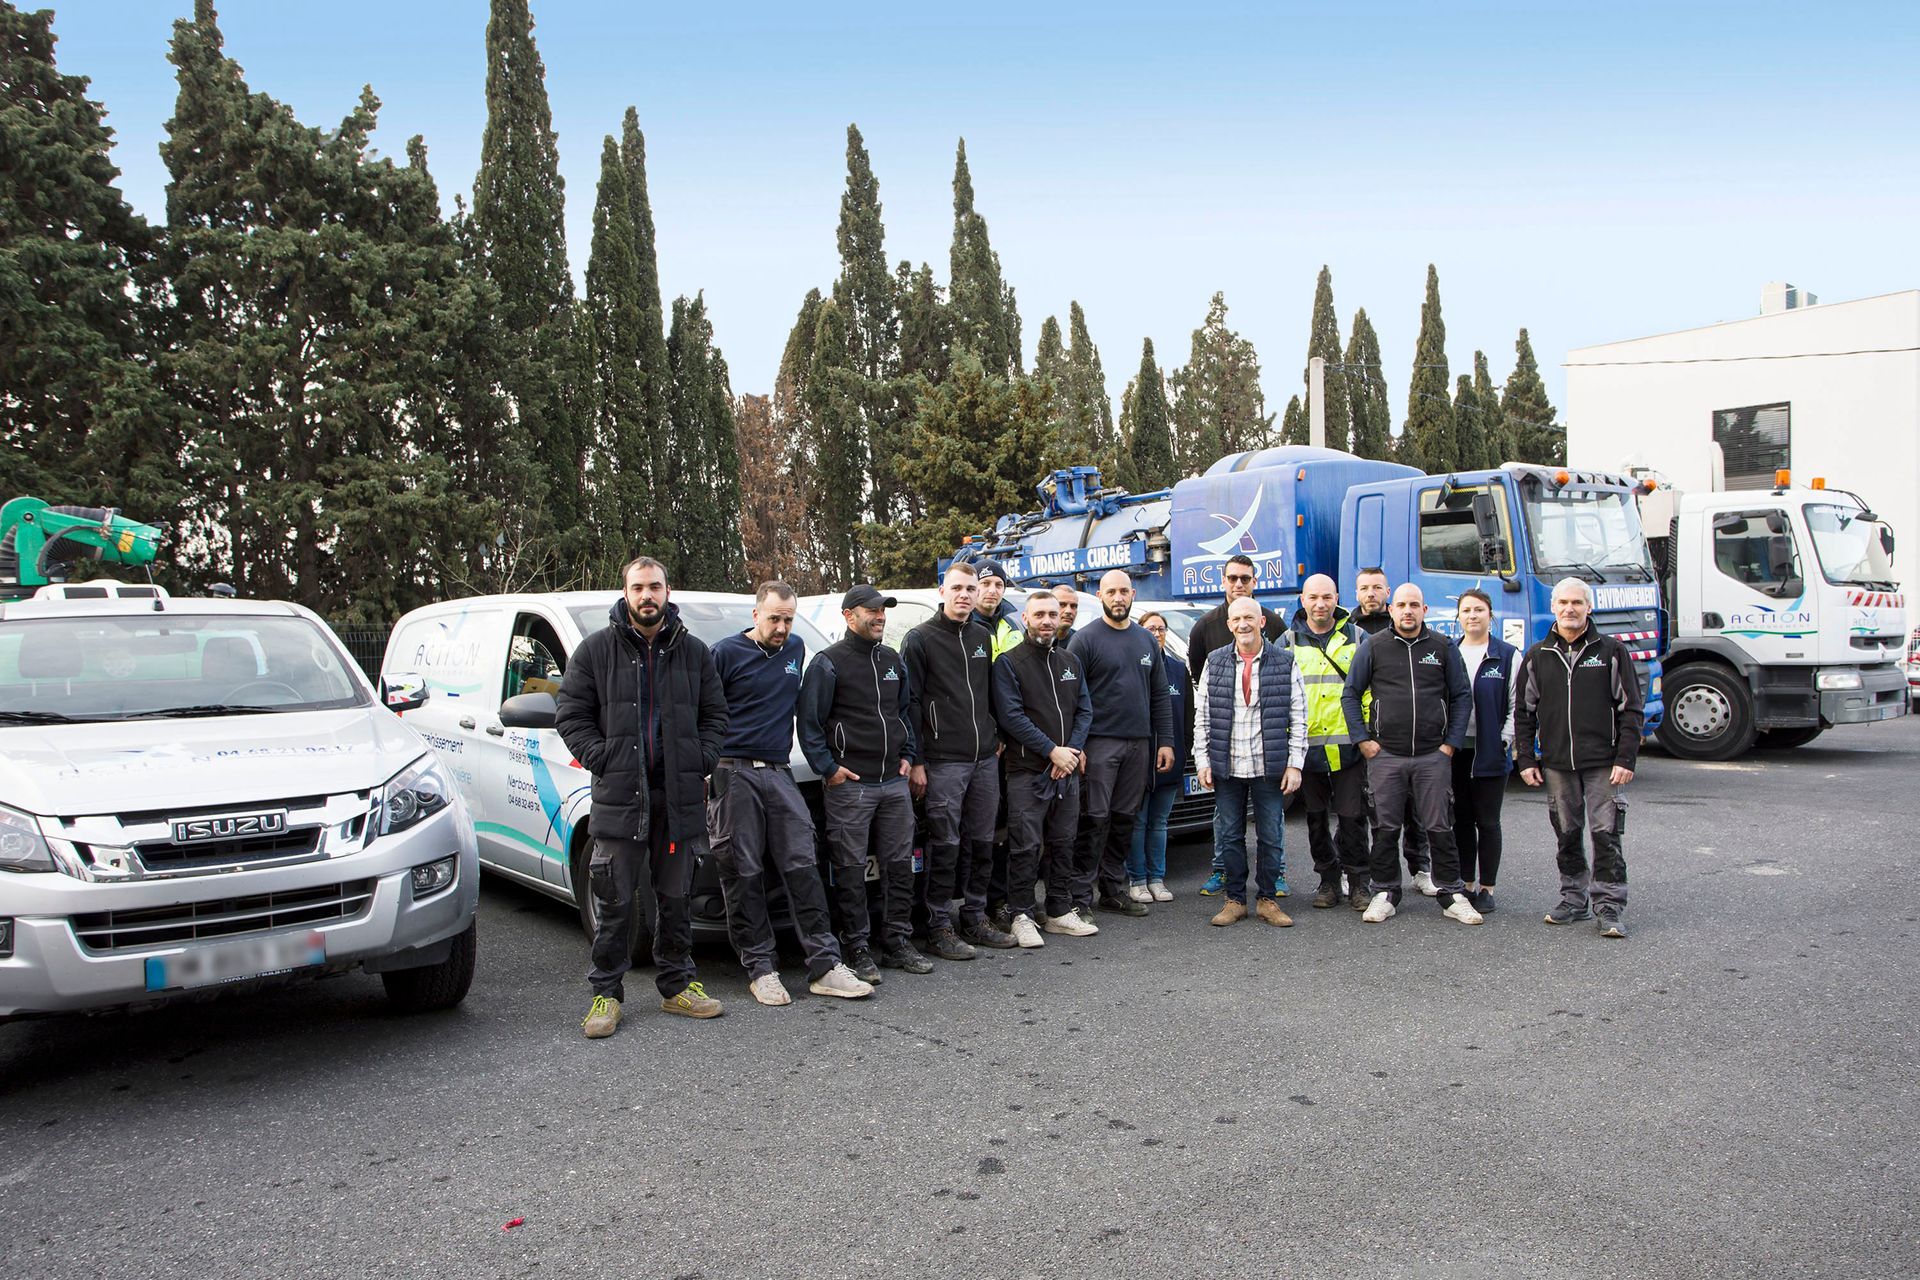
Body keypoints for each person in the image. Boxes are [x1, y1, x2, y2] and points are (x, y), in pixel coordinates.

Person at [557, 556, 730, 1039]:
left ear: (668, 591)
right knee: (613, 900)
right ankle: (605, 995)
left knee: (675, 897)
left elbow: (716, 715)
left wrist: (702, 757)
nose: (647, 596)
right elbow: (570, 715)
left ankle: (677, 986)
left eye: (655, 586)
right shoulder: (595, 652)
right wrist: (603, 757)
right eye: (638, 588)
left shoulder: (694, 653)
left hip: (678, 799)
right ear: (626, 592)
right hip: (620, 797)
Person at [709, 583, 874, 1005]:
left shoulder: (796, 649)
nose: (781, 627)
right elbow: (702, 716)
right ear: (756, 615)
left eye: (788, 618)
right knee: (743, 872)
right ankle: (761, 968)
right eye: (774, 618)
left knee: (803, 864)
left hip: (780, 772)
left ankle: (824, 965)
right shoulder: (724, 654)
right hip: (734, 772)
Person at [799, 585, 929, 978]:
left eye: (882, 610)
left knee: (899, 865)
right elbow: (809, 724)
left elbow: (904, 712)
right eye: (870, 610)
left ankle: (896, 942)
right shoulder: (828, 663)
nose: (879, 616)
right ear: (848, 615)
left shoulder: (891, 659)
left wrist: (908, 755)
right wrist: (828, 768)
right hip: (850, 785)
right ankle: (856, 946)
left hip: (892, 782)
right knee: (850, 867)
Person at [1339, 583, 1483, 926]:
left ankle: (1451, 893)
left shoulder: (1443, 647)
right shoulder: (1374, 647)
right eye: (1401, 604)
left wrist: (1451, 742)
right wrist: (1363, 740)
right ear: (1391, 609)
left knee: (1439, 825)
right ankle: (1385, 892)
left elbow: (1462, 696)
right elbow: (1350, 694)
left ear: (1425, 610)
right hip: (1385, 754)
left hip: (1433, 755)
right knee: (1385, 827)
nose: (1407, 610)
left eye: (1414, 605)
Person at [1513, 577, 1643, 938]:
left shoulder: (1611, 651)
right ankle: (1573, 899)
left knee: (1606, 835)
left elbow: (1631, 708)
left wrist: (1626, 758)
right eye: (1563, 603)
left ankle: (1609, 906)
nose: (1570, 609)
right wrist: (1526, 759)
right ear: (1554, 608)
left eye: (1577, 603)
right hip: (1557, 763)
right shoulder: (1538, 656)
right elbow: (1523, 713)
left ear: (1589, 608)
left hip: (1604, 762)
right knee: (1567, 834)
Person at [903, 562, 1017, 959]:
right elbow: (910, 702)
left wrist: (997, 734)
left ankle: (975, 916)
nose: (966, 595)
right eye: (958, 588)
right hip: (943, 759)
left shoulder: (983, 636)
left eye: (972, 588)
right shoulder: (920, 639)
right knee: (945, 844)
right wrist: (916, 759)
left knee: (982, 841)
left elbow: (992, 692)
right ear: (942, 591)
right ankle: (938, 926)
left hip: (984, 757)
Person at [1067, 569, 1174, 918]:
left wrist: (1165, 741)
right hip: (1098, 745)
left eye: (1124, 591)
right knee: (1093, 820)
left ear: (1132, 595)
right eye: (1111, 591)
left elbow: (1159, 694)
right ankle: (1080, 895)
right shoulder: (1084, 640)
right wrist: (1076, 745)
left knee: (1124, 819)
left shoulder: (1145, 640)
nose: (1118, 598)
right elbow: (1070, 700)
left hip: (1139, 745)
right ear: (1099, 596)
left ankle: (1113, 890)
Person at [1194, 598, 1306, 927]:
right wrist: (1202, 760)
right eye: (1236, 618)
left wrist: (1294, 764)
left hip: (1269, 767)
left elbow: (1300, 717)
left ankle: (1268, 901)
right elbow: (1202, 717)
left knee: (1270, 836)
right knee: (1229, 836)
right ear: (1229, 625)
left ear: (1262, 623)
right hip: (1227, 767)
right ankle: (1234, 901)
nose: (1243, 624)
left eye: (1249, 618)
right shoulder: (1214, 662)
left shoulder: (1285, 662)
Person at [992, 589, 1094, 942]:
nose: (1048, 621)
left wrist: (1072, 752)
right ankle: (1021, 913)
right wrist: (1052, 751)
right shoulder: (1008, 663)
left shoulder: (1070, 662)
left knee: (1064, 841)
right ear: (1025, 619)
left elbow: (1085, 711)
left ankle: (1059, 911)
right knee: (1025, 845)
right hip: (1027, 772)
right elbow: (1011, 716)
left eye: (1053, 614)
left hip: (1065, 772)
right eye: (1040, 615)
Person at [1189, 553, 1284, 897]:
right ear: (1224, 581)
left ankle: (1277, 876)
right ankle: (1222, 873)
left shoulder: (1273, 622)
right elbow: (1200, 681)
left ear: (1254, 582)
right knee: (1226, 822)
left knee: (1271, 823)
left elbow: (1286, 684)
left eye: (1245, 578)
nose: (1239, 584)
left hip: (1265, 746)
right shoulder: (1205, 626)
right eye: (1232, 578)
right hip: (1226, 747)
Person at [1281, 574, 1372, 911]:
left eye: (1327, 597)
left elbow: (1369, 688)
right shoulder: (1287, 642)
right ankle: (1328, 881)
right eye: (1313, 597)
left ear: (1337, 598)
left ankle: (1359, 882)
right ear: (1302, 600)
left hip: (1349, 748)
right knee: (1316, 820)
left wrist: (1365, 735)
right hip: (1308, 751)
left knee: (1352, 819)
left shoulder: (1358, 637)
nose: (1320, 604)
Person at [1352, 565, 1436, 896]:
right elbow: (1351, 690)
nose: (1370, 593)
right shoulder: (1350, 630)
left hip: (1408, 737)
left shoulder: (1404, 628)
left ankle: (1420, 867)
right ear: (1356, 593)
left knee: (1415, 809)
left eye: (1377, 587)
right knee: (1369, 812)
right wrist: (1361, 737)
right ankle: (1367, 873)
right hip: (1369, 739)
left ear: (1388, 595)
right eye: (1364, 588)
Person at [1451, 589, 1518, 914]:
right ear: (1459, 616)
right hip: (1457, 751)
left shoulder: (1506, 655)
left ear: (1490, 615)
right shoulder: (1451, 652)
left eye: (1479, 610)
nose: (1473, 615)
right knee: (1461, 821)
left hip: (1491, 752)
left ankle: (1487, 887)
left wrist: (1504, 740)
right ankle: (1465, 883)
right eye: (1467, 610)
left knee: (1488, 822)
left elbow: (1517, 706)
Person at [1127, 611, 1190, 903]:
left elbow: (1188, 717)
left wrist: (1182, 750)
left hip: (1168, 761)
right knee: (1138, 822)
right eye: (1150, 628)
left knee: (1160, 822)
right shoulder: (1133, 668)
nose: (1157, 633)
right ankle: (1137, 879)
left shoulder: (1179, 670)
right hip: (1139, 761)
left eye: (1161, 629)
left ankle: (1157, 878)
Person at [974, 560, 1025, 659]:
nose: (992, 591)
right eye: (985, 583)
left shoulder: (1015, 625)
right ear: (972, 587)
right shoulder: (962, 627)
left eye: (998, 585)